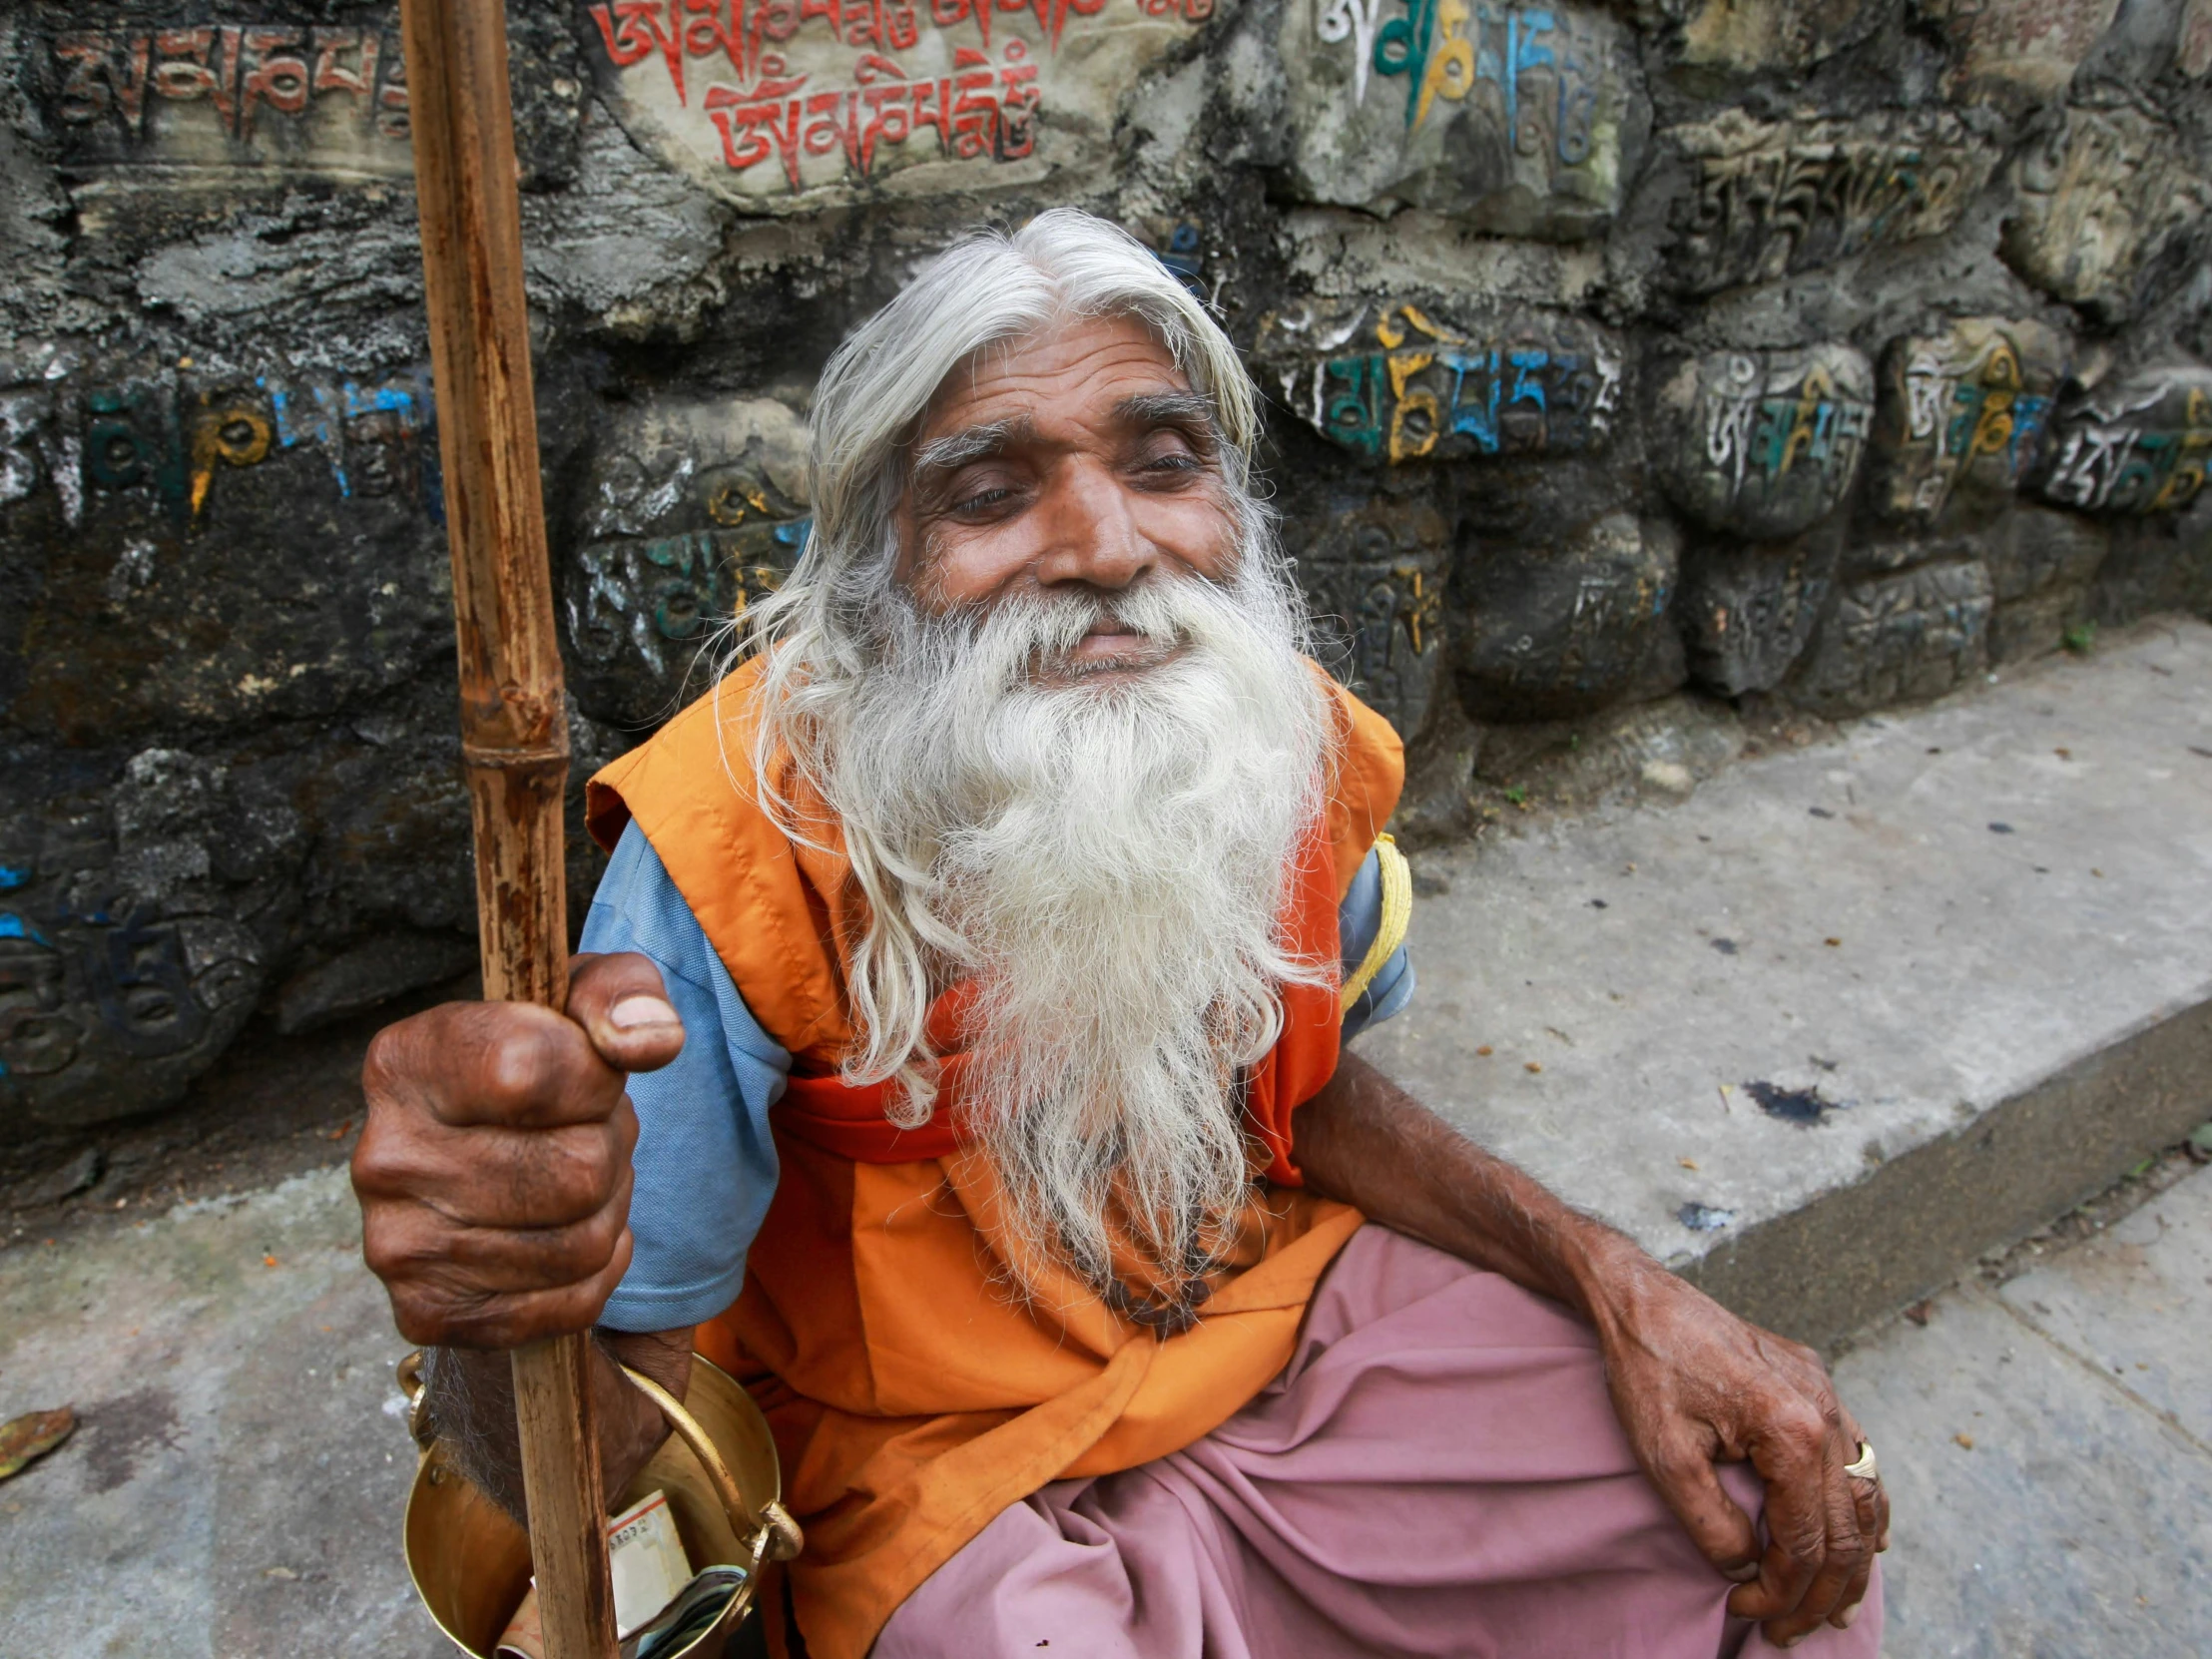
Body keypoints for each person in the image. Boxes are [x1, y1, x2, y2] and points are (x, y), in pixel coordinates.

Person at [352, 210, 1886, 1659]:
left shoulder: (1266, 737)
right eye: (992, 489)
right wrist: (493, 1307)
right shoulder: (728, 854)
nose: (1103, 542)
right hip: (934, 1463)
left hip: (1265, 1320)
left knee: (1745, 1505)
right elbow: (607, 1444)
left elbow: (1313, 1085)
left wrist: (1619, 1278)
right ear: (878, 571)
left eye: (1164, 462)